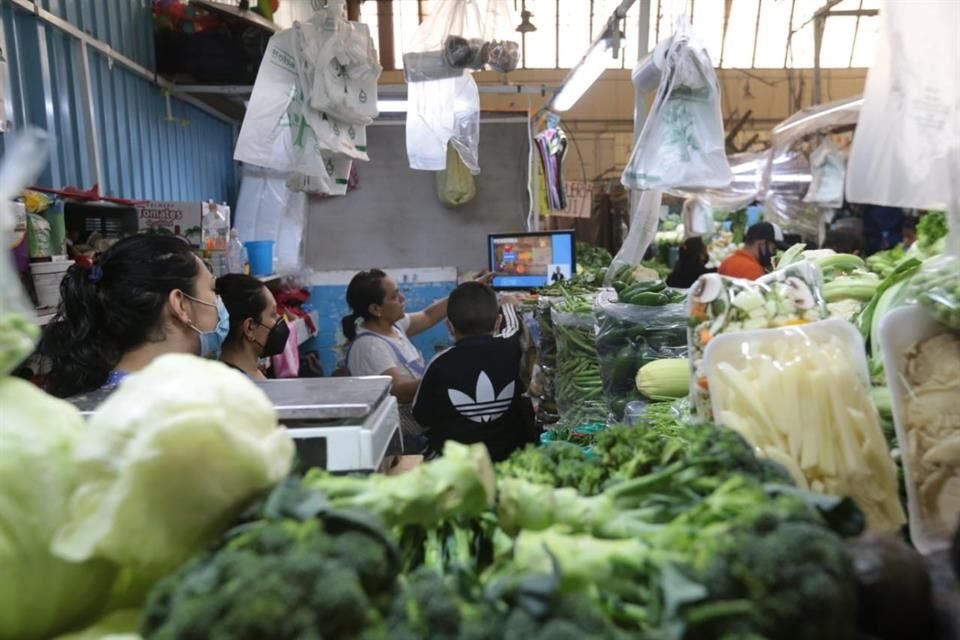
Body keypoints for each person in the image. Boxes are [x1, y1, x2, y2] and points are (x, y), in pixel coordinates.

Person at [42, 234, 229, 398]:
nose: (218, 301)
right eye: (213, 290)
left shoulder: (99, 395)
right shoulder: (178, 415)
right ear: (180, 305)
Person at [341, 269, 493, 438]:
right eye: (394, 297)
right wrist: (441, 376)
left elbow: (429, 316)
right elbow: (399, 391)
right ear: (376, 309)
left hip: (418, 412)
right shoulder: (370, 346)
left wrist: (469, 290)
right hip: (399, 429)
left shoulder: (394, 327)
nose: (402, 299)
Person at [412, 282, 529, 461]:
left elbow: (420, 415)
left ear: (449, 326)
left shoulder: (439, 363)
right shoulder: (509, 347)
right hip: (507, 456)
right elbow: (512, 328)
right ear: (497, 322)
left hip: (455, 463)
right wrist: (507, 304)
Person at [216, 273, 288, 379]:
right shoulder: (238, 389)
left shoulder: (251, 375)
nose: (280, 319)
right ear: (250, 327)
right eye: (273, 314)